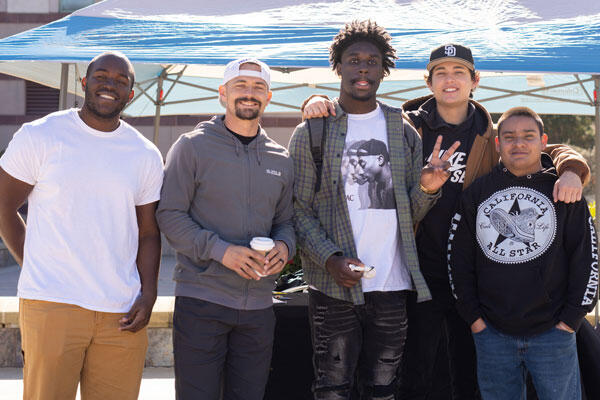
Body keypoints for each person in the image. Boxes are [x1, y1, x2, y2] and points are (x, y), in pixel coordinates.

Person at [302, 43, 589, 399]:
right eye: (441, 72)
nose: (449, 80)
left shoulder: (490, 131)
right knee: (415, 370)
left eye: (458, 72)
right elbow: (355, 123)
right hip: (413, 269)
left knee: (471, 370)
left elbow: (542, 148)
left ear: (475, 80)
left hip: (474, 275)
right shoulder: (402, 126)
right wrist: (316, 105)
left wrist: (573, 169)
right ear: (428, 81)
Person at [289, 20, 458, 400]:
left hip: (392, 285)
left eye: (372, 61)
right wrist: (331, 259)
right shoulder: (312, 131)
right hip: (333, 286)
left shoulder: (402, 132)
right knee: (332, 388)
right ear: (339, 67)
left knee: (383, 390)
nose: (363, 68)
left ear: (384, 70)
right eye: (353, 60)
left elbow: (407, 214)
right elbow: (297, 210)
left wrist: (428, 190)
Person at [0, 51, 164, 400]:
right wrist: (33, 264)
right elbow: (3, 206)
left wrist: (148, 294)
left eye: (121, 81)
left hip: (121, 309)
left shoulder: (145, 153)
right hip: (52, 303)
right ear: (84, 82)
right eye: (102, 76)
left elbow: (148, 232)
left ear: (130, 95)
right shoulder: (41, 135)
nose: (110, 84)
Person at [156, 57, 295, 400]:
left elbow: (287, 222)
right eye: (240, 86)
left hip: (259, 307)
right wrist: (221, 251)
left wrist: (285, 247)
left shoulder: (281, 158)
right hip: (202, 301)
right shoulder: (192, 147)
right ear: (223, 93)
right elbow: (169, 215)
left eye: (258, 87)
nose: (249, 94)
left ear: (269, 97)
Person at [448, 106, 598, 400]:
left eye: (528, 136)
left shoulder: (565, 192)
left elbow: (587, 260)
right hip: (492, 334)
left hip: (554, 334)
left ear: (543, 142)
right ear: (497, 143)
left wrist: (570, 321)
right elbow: (458, 261)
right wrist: (475, 320)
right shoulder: (476, 194)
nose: (518, 143)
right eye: (510, 137)